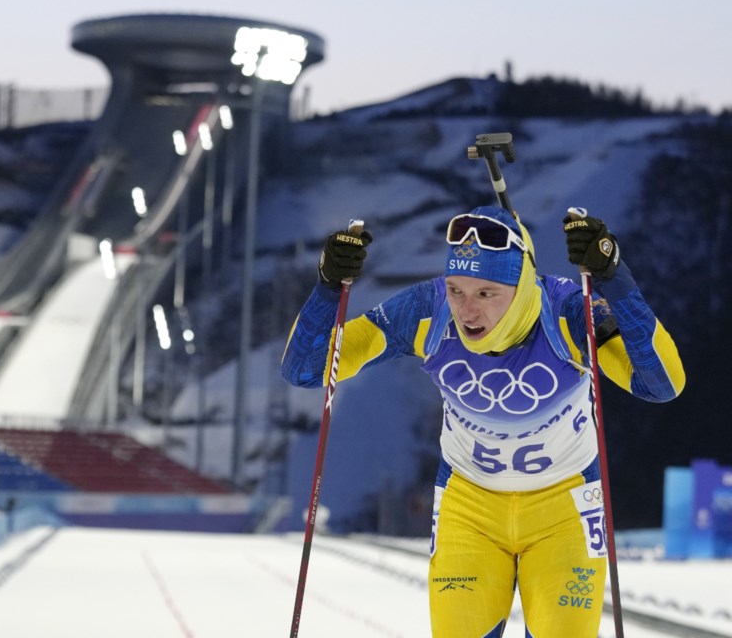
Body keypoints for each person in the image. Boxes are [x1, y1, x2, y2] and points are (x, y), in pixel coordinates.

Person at [280, 205, 685, 637]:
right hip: (470, 510)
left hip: (564, 510)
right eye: (456, 290)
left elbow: (660, 384)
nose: (467, 312)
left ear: (522, 285)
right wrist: (327, 286)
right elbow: (304, 368)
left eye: (485, 294)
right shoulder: (427, 310)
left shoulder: (568, 311)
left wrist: (613, 277)